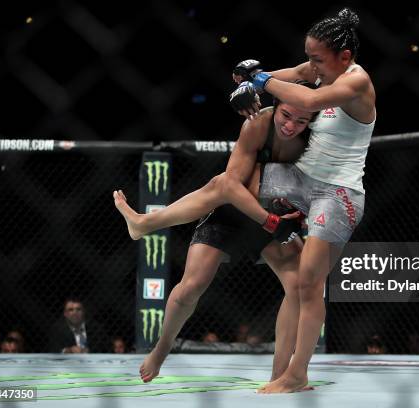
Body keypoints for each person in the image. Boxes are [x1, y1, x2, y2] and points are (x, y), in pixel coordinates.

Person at [114, 8, 375, 392]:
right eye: (310, 58)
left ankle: (294, 375)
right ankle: (146, 223)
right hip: (299, 183)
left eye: (318, 59)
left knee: (307, 282)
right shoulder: (273, 112)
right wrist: (247, 83)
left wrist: (261, 79)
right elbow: (286, 80)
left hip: (337, 192)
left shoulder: (356, 82)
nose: (311, 66)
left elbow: (302, 96)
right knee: (225, 183)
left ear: (344, 57)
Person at [129, 82, 318, 384]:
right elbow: (230, 187)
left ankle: (281, 375)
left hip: (273, 218)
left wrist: (305, 213)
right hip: (234, 212)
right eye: (286, 115)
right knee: (192, 285)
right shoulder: (257, 125)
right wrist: (253, 78)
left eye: (301, 120)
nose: (291, 125)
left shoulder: (317, 143)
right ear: (276, 106)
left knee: (298, 286)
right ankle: (161, 349)